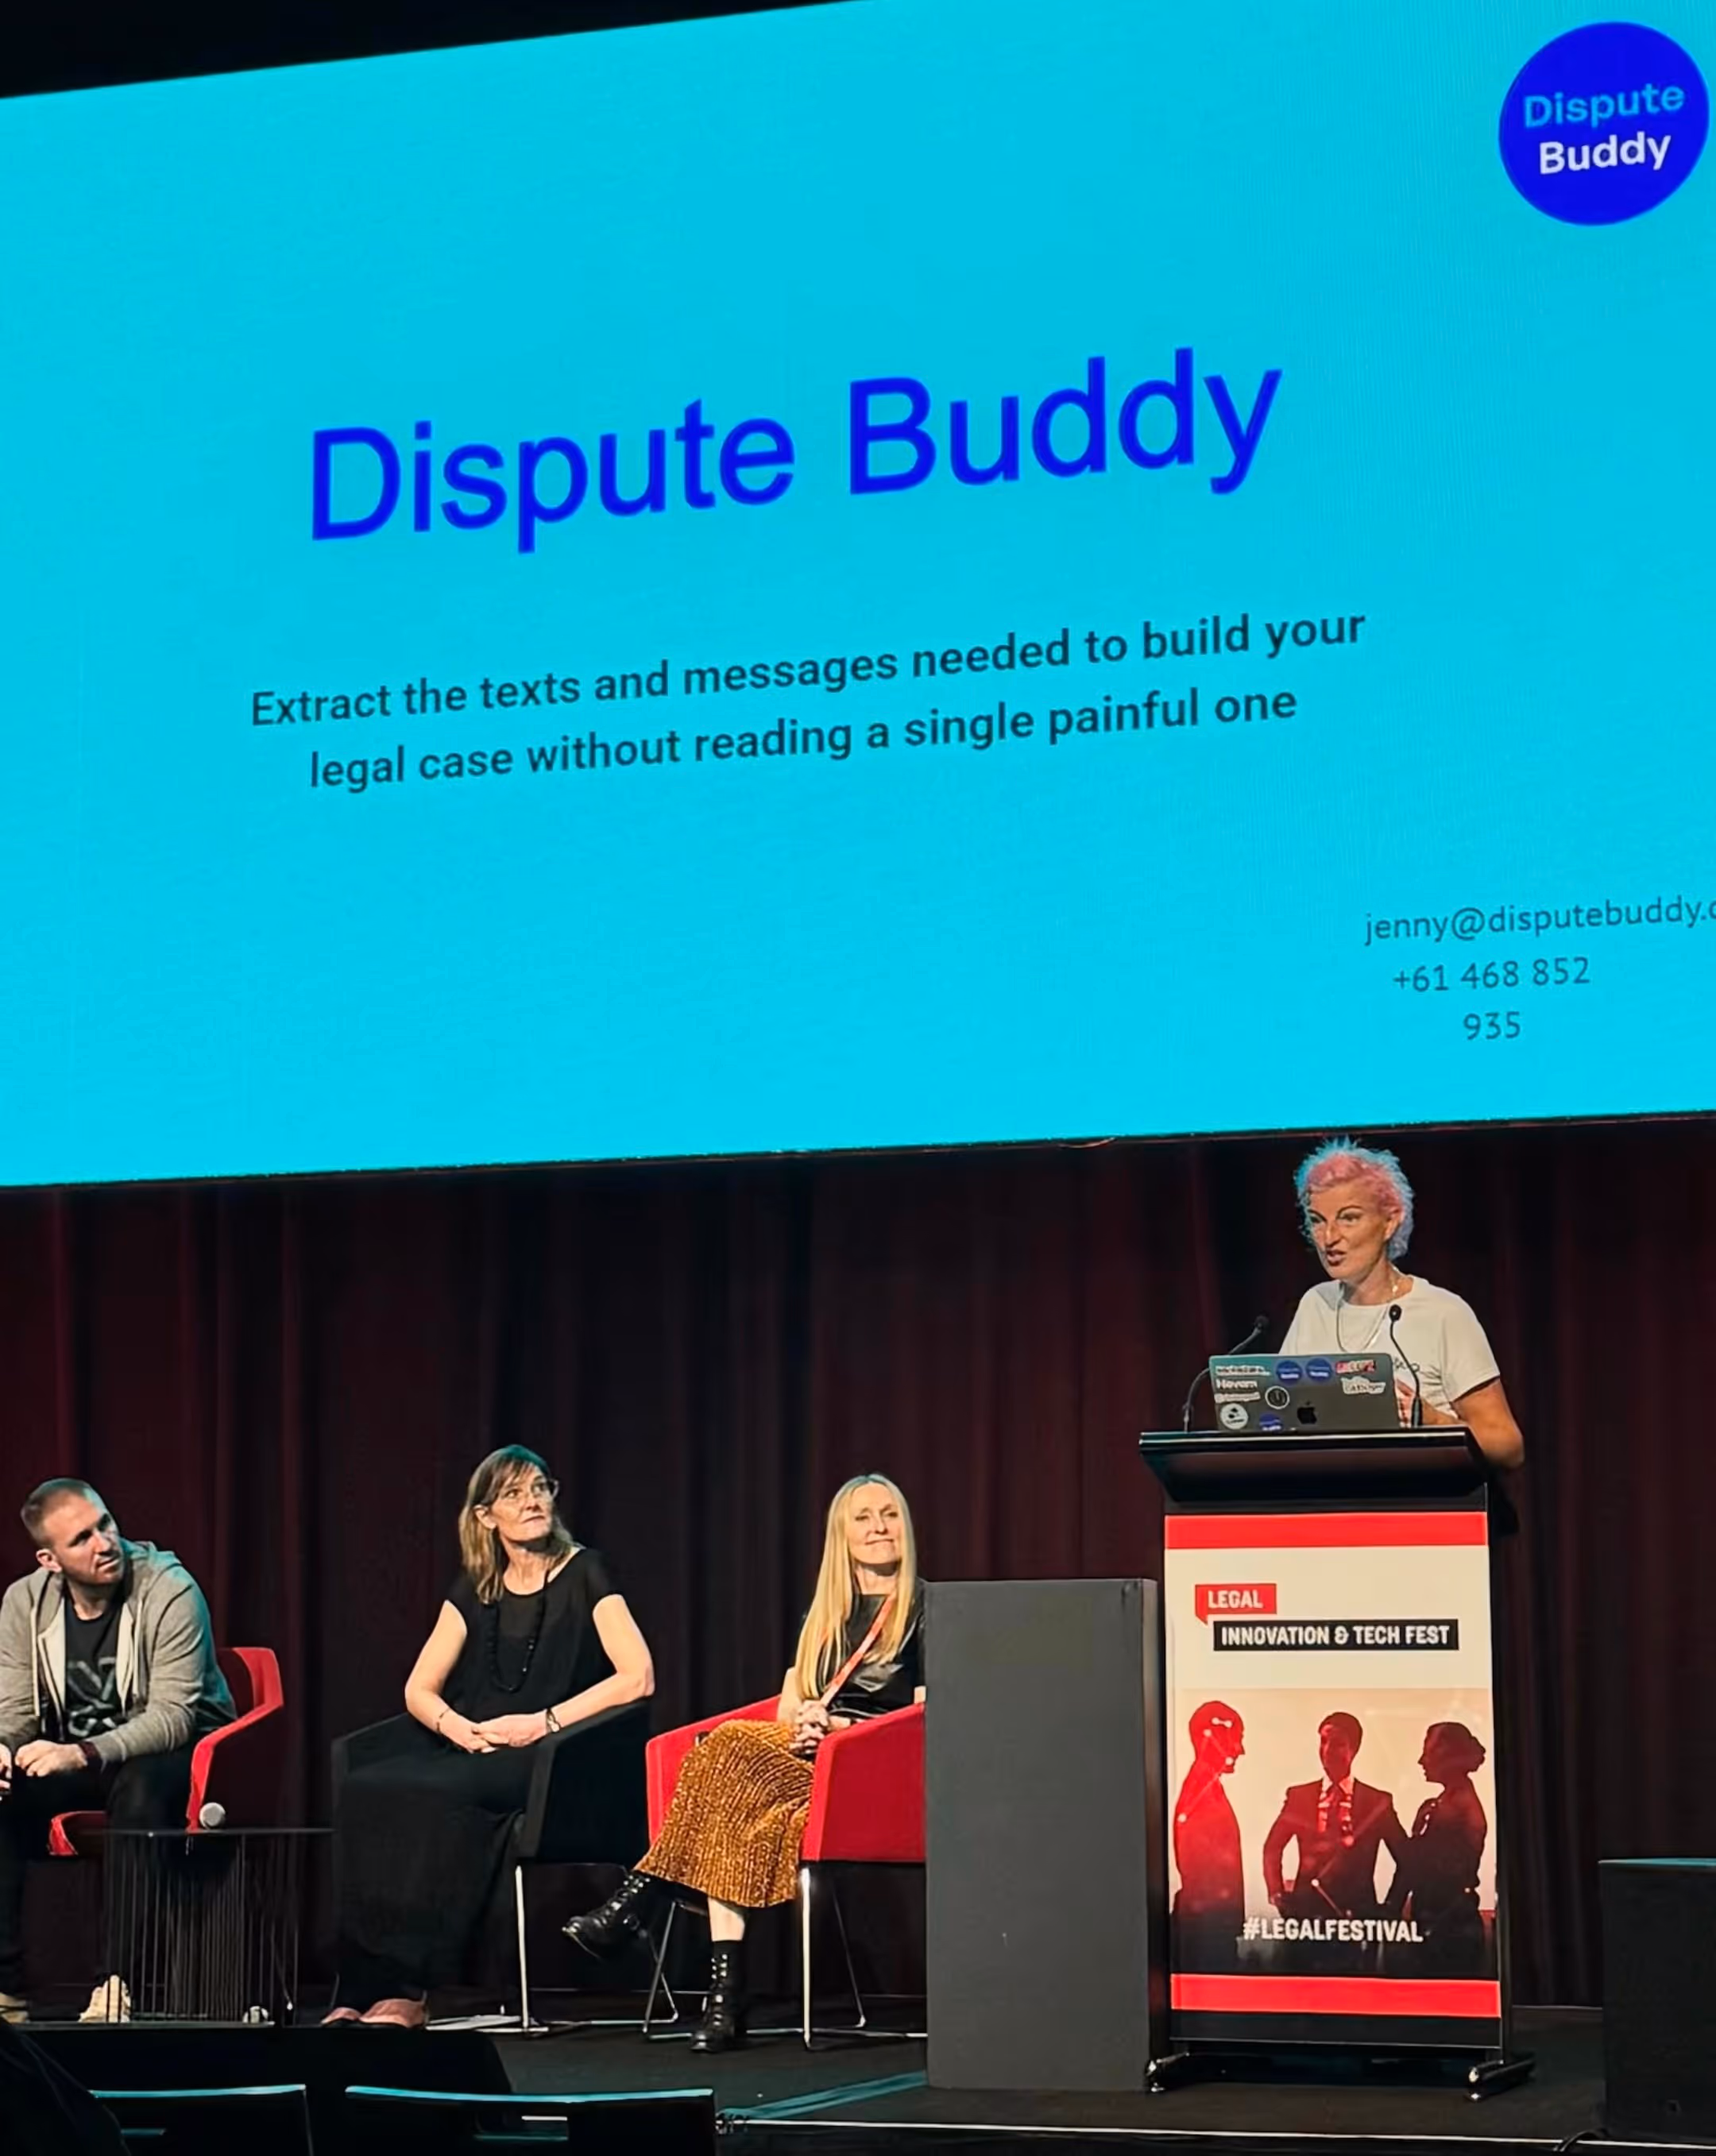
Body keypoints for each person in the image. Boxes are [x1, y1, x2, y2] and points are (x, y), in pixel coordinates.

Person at [563, 1474, 922, 2052]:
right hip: (802, 1755)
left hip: (865, 1770)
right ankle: (723, 1999)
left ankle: (643, 1905)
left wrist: (842, 1729)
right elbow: (784, 1710)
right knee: (729, 1798)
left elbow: (929, 1720)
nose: (879, 1528)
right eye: (864, 1518)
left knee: (724, 1747)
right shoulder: (825, 1614)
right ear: (842, 1534)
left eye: (889, 1515)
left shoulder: (926, 1609)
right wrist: (805, 1721)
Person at [327, 1446, 654, 2027]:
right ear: (485, 1517)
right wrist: (457, 1728)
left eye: (540, 1488)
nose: (532, 1502)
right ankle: (362, 1986)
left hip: (558, 1754)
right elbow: (419, 1689)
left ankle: (414, 1990)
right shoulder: (478, 1587)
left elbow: (638, 1676)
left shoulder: (586, 1572)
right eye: (514, 1493)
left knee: (438, 1796)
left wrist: (543, 1722)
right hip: (481, 1743)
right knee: (368, 1786)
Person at [0, 1480, 234, 2026]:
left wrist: (79, 1752)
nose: (105, 1543)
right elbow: (15, 1712)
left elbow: (174, 1717)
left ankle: (120, 1982)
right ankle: (6, 1990)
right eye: (82, 1538)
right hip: (81, 1758)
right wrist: (4, 1748)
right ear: (49, 1560)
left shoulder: (169, 1588)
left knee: (142, 1788)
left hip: (183, 1757)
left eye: (104, 1524)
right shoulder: (23, 1604)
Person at [1282, 1140, 1525, 1468]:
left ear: (1391, 1220)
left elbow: (1508, 1447)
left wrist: (1433, 1420)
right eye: (1317, 1220)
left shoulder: (1443, 1313)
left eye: (1349, 1218)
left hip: (1424, 1507)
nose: (1329, 1238)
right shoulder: (1315, 1306)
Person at [1262, 1711, 1409, 1969]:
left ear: (1354, 1749)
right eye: (1323, 1741)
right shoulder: (1299, 1796)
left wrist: (1390, 1907)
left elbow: (1407, 1860)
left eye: (1338, 1743)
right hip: (1306, 1920)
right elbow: (1272, 1847)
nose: (1328, 1750)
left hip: (1358, 1922)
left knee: (1356, 1995)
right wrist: (1278, 1895)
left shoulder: (1378, 1802)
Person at [1385, 1721, 1490, 1976]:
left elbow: (1416, 1865)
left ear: (1448, 1756)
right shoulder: (1437, 1806)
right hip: (1433, 1924)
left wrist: (1385, 1819)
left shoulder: (1458, 1809)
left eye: (1428, 1752)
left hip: (1448, 1931)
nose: (1421, 1761)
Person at [1170, 1701, 1246, 1971]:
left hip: (1212, 1925)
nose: (1241, 1750)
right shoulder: (1201, 1792)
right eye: (1236, 1740)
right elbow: (1199, 1868)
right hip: (1207, 1929)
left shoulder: (1207, 1788)